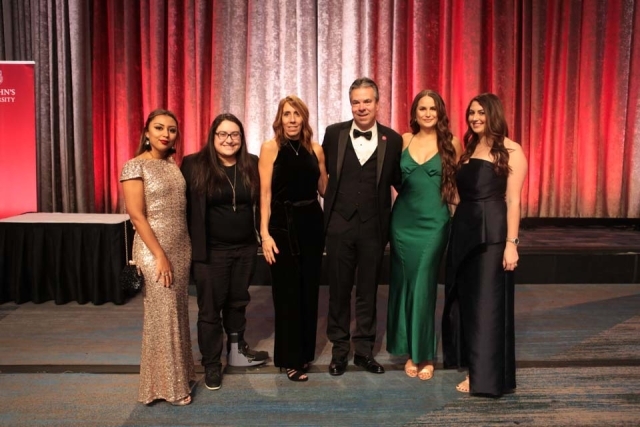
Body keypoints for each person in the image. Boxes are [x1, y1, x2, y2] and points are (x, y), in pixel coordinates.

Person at [441, 93, 527, 397]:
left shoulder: (512, 150)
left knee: (487, 304)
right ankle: (473, 365)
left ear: (494, 114)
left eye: (481, 112)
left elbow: (513, 201)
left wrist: (511, 244)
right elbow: (460, 194)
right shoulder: (470, 148)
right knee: (467, 301)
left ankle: (484, 377)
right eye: (471, 113)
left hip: (491, 235)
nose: (475, 118)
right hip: (464, 231)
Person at [181, 113, 269, 392]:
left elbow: (263, 201)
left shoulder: (251, 163)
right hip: (210, 253)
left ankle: (236, 351)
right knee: (210, 309)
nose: (229, 140)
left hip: (244, 249)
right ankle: (211, 364)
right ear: (213, 136)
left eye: (234, 134)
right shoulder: (194, 164)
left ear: (241, 138)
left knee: (237, 302)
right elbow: (182, 208)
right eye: (223, 134)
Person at [322, 77, 402, 376]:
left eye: (367, 101)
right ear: (350, 104)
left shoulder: (393, 140)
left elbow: (401, 182)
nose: (361, 107)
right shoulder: (334, 134)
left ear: (378, 104)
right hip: (339, 225)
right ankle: (339, 351)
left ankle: (364, 351)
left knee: (368, 291)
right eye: (356, 102)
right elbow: (321, 173)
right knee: (338, 291)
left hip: (373, 227)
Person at [120, 109, 195, 406]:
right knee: (162, 316)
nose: (166, 134)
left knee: (176, 314)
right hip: (154, 251)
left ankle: (177, 376)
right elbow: (137, 216)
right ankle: (169, 388)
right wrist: (160, 255)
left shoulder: (172, 164)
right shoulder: (134, 166)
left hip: (181, 247)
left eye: (172, 129)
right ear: (147, 133)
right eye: (159, 127)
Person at [386, 90, 462, 381]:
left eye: (433, 108)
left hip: (434, 224)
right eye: (422, 108)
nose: (428, 113)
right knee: (405, 284)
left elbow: (459, 184)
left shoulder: (451, 143)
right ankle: (410, 351)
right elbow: (394, 179)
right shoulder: (404, 140)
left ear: (440, 112)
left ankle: (425, 354)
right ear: (414, 113)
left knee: (424, 284)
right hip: (402, 222)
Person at [259, 95, 328, 382]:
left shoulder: (315, 149)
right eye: (287, 114)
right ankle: (290, 358)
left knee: (309, 291)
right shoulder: (270, 148)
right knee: (287, 293)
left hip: (312, 224)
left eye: (296, 114)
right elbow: (265, 194)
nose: (292, 119)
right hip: (282, 227)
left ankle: (304, 354)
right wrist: (264, 234)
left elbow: (324, 189)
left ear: (304, 118)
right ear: (280, 118)